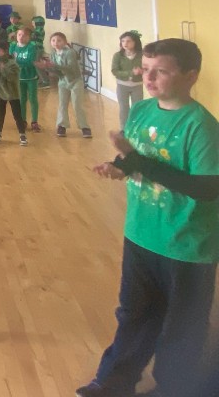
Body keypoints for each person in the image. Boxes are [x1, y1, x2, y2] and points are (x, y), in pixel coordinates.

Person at [79, 39, 219, 397]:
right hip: (141, 234)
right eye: (146, 69)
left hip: (186, 245)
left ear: (190, 76)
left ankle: (175, 388)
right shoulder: (141, 110)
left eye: (161, 71)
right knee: (133, 314)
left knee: (182, 327)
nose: (148, 77)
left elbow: (206, 188)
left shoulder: (201, 126)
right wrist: (119, 166)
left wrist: (136, 161)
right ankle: (113, 382)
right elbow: (136, 157)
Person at [43, 32, 91, 138]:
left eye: (59, 40)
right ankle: (62, 125)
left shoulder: (70, 52)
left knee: (77, 105)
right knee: (62, 104)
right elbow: (57, 72)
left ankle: (84, 127)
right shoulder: (53, 54)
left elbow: (70, 68)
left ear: (65, 42)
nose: (56, 43)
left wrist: (54, 65)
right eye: (53, 40)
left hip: (75, 81)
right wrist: (46, 67)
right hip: (63, 82)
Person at [10, 27, 43, 133]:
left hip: (31, 77)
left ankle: (34, 121)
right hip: (19, 77)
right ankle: (23, 120)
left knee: (33, 99)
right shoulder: (13, 46)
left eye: (24, 35)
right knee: (22, 100)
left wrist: (16, 63)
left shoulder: (31, 47)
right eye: (19, 35)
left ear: (29, 37)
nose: (21, 37)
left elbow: (30, 61)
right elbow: (9, 60)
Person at [111, 31, 143, 128]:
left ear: (135, 42)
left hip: (137, 85)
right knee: (124, 108)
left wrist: (142, 71)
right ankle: (124, 128)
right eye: (123, 41)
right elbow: (114, 71)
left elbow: (148, 68)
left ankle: (136, 127)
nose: (125, 43)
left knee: (137, 108)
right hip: (122, 85)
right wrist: (130, 73)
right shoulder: (118, 55)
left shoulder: (142, 55)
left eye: (128, 41)